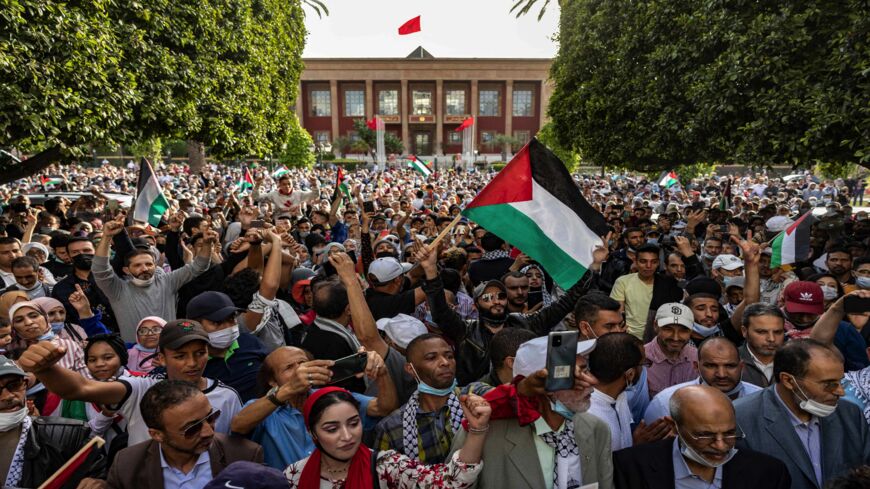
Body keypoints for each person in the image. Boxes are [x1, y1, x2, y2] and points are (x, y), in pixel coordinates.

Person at [16, 319, 243, 446]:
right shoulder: (141, 387)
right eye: (180, 355)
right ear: (161, 358)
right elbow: (80, 388)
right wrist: (46, 369)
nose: (192, 363)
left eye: (200, 353)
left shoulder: (227, 396)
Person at [449, 336, 614, 489]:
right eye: (578, 374)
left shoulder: (596, 429)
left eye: (586, 371)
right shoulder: (483, 434)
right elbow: (453, 483)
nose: (590, 382)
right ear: (543, 383)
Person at [284, 387, 491, 489]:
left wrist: (477, 430)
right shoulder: (293, 476)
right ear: (313, 434)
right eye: (332, 429)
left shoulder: (386, 468)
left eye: (354, 423)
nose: (347, 436)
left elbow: (450, 482)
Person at [230, 345, 396, 470]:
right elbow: (238, 425)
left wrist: (382, 374)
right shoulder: (264, 409)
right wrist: (288, 389)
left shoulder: (331, 397)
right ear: (272, 381)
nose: (299, 370)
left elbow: (383, 407)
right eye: (289, 368)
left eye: (303, 363)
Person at [734, 339, 870, 489]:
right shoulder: (742, 418)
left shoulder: (849, 414)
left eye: (840, 382)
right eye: (829, 384)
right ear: (788, 381)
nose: (840, 392)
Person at [613, 385, 791, 489]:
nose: (721, 446)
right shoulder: (630, 468)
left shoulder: (768, 474)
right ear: (675, 426)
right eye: (705, 435)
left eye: (730, 433)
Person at [102, 380, 263, 489]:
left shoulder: (245, 455)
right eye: (192, 429)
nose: (208, 431)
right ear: (157, 434)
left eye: (211, 417)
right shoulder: (127, 465)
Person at [92, 215, 214, 342]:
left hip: (168, 350)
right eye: (137, 265)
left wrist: (207, 244)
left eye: (149, 264)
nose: (144, 268)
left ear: (155, 266)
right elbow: (100, 270)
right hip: (134, 354)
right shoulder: (117, 289)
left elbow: (199, 266)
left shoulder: (168, 282)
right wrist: (106, 237)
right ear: (126, 270)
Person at [374, 333, 491, 463]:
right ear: (410, 369)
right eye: (431, 358)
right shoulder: (392, 427)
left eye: (449, 356)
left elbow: (508, 395)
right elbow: (385, 477)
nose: (445, 363)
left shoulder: (475, 395)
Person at [0, 355, 107, 488]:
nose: (8, 396)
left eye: (14, 385)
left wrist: (99, 483)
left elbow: (100, 476)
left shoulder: (70, 436)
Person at [644, 337, 762, 423]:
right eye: (711, 366)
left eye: (730, 366)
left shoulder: (761, 400)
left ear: (742, 367)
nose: (721, 374)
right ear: (696, 366)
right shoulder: (666, 402)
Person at [186, 290, 268, 403]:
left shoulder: (250, 342)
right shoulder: (191, 363)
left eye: (231, 319)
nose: (228, 327)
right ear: (196, 325)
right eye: (217, 323)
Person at [587, 332, 644, 451]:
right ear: (630, 374)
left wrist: (635, 444)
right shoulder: (589, 418)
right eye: (642, 364)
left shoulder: (619, 396)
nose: (643, 370)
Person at [645, 303, 698, 398]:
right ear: (655, 326)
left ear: (691, 330)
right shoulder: (639, 359)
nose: (675, 337)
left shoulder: (698, 358)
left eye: (683, 330)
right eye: (668, 329)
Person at [738, 303, 786, 388]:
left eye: (777, 332)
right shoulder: (731, 361)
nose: (771, 339)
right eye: (762, 332)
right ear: (744, 331)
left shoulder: (794, 362)